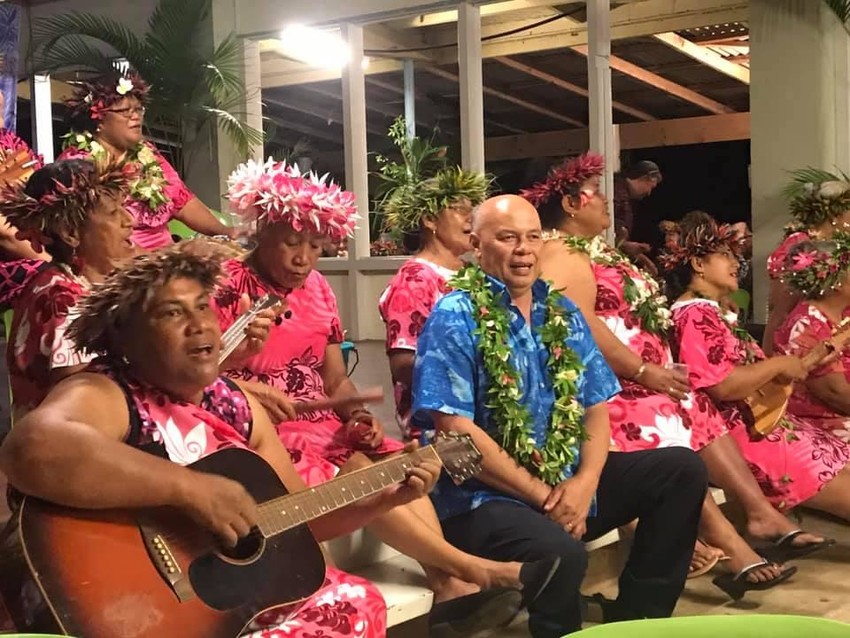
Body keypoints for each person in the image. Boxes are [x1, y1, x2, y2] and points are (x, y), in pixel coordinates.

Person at [0, 241, 445, 637]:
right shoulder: (107, 391)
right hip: (133, 608)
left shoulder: (234, 404)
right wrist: (188, 489)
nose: (199, 325)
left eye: (203, 307)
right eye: (172, 312)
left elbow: (295, 522)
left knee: (353, 600)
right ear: (122, 336)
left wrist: (384, 498)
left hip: (217, 601)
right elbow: (31, 448)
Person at [216, 159, 544, 634]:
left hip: (319, 422)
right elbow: (194, 374)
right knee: (356, 471)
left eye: (315, 246)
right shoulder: (224, 283)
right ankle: (466, 570)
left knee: (396, 460)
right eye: (292, 243)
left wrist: (356, 416)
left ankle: (447, 581)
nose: (304, 258)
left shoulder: (318, 290)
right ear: (261, 231)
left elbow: (334, 381)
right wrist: (249, 388)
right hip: (256, 427)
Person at [527, 153, 824, 597]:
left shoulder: (597, 252)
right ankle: (732, 543)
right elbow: (577, 324)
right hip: (609, 386)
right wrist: (642, 370)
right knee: (664, 414)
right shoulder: (561, 254)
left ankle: (757, 516)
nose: (608, 200)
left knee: (690, 403)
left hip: (643, 379)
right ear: (571, 203)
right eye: (596, 192)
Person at [413, 193, 707, 636]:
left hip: (563, 482)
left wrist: (584, 482)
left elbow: (595, 406)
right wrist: (545, 496)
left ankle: (637, 622)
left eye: (533, 237)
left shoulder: (561, 312)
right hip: (479, 499)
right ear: (475, 245)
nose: (524, 249)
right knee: (562, 553)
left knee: (680, 469)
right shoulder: (453, 315)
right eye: (508, 238)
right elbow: (454, 438)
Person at [666, 218, 850, 528]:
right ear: (698, 263)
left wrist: (821, 351)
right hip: (747, 434)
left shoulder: (710, 311)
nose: (736, 262)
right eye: (725, 255)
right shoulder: (693, 314)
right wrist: (779, 364)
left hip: (766, 423)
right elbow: (722, 386)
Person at [376, 122, 490, 440]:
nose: (471, 219)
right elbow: (403, 364)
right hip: (437, 421)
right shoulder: (415, 280)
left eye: (473, 211)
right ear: (429, 220)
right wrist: (469, 382)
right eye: (458, 210)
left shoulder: (474, 274)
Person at [58, 71, 235, 250]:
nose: (135, 116)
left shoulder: (148, 153)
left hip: (165, 260)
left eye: (138, 109)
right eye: (125, 111)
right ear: (99, 119)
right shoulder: (78, 164)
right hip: (119, 265)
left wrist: (227, 232)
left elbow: (182, 202)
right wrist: (151, 262)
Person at [764, 169, 850, 355]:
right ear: (836, 217)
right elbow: (780, 310)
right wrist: (770, 361)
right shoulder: (800, 246)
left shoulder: (839, 246)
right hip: (802, 344)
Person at [773, 236, 850, 441]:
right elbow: (837, 394)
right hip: (824, 428)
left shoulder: (842, 316)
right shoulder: (806, 325)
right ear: (837, 283)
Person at [613, 160, 662, 272]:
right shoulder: (616, 193)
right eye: (651, 187)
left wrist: (641, 258)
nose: (649, 193)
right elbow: (606, 232)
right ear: (644, 178)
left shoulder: (625, 196)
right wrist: (625, 246)